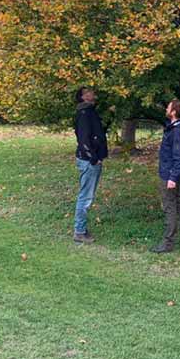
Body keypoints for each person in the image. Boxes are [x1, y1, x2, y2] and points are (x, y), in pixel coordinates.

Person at [151, 100, 180, 253]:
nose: (166, 109)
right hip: (174, 172)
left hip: (170, 174)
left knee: (170, 207)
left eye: (168, 107)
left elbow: (179, 156)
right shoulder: (176, 127)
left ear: (174, 112)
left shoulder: (177, 131)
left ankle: (168, 243)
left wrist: (172, 178)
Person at [72, 87, 108, 244]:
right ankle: (79, 231)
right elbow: (83, 139)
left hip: (91, 159)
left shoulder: (91, 112)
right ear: (83, 97)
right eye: (89, 91)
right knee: (85, 196)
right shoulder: (84, 114)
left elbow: (97, 133)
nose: (93, 93)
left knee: (87, 195)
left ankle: (81, 229)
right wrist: (93, 158)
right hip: (88, 161)